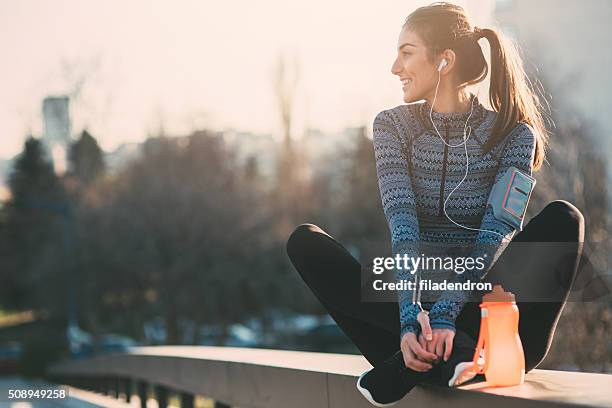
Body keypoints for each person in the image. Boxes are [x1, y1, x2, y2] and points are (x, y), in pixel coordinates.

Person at [286, 2, 585, 406]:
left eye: (406, 52)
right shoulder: (392, 127)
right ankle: (447, 357)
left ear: (444, 61)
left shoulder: (513, 135)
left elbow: (494, 235)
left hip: (491, 324)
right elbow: (403, 226)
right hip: (409, 325)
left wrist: (446, 314)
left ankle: (422, 363)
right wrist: (412, 319)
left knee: (564, 218)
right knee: (305, 242)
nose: (395, 67)